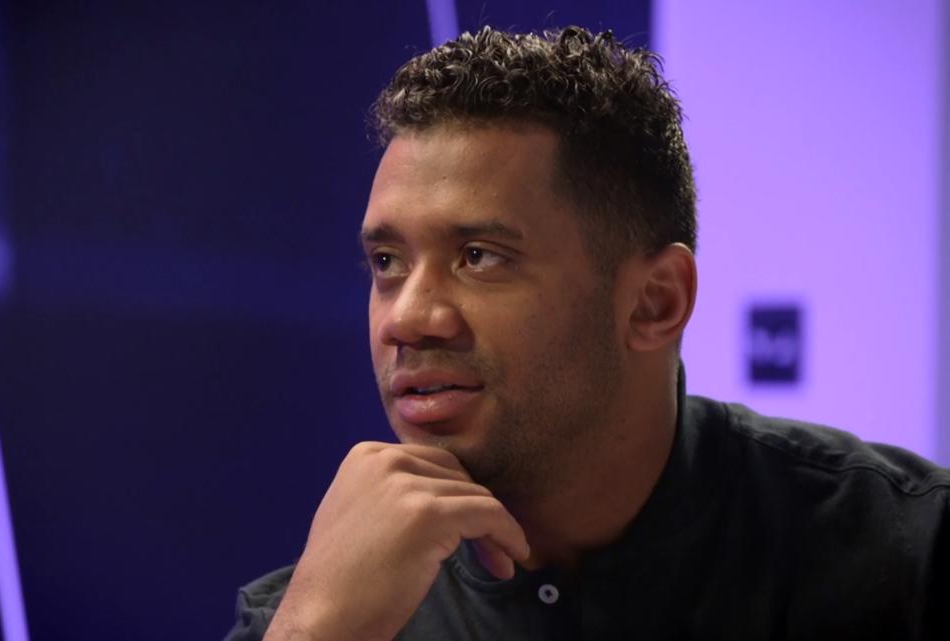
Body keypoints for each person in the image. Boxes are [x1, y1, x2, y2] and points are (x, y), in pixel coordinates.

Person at [223, 25, 950, 640]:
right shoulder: (312, 615)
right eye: (387, 262)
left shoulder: (907, 556)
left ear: (654, 302)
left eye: (479, 257)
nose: (409, 317)